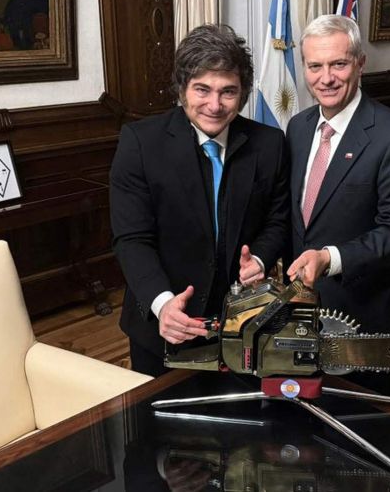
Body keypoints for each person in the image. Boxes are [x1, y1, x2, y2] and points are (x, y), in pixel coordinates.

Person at [110, 24, 290, 376]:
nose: (215, 105)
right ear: (182, 89)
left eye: (228, 92)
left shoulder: (270, 144)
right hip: (160, 327)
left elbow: (277, 220)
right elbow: (132, 239)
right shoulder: (140, 143)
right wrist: (162, 305)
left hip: (244, 326)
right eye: (202, 89)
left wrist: (260, 257)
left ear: (244, 93)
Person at [286, 14, 390, 395]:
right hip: (302, 309)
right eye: (315, 66)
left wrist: (329, 258)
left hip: (366, 313)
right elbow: (294, 217)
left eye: (338, 64)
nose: (325, 78)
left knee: (366, 425)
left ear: (360, 63)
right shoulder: (297, 128)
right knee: (305, 420)